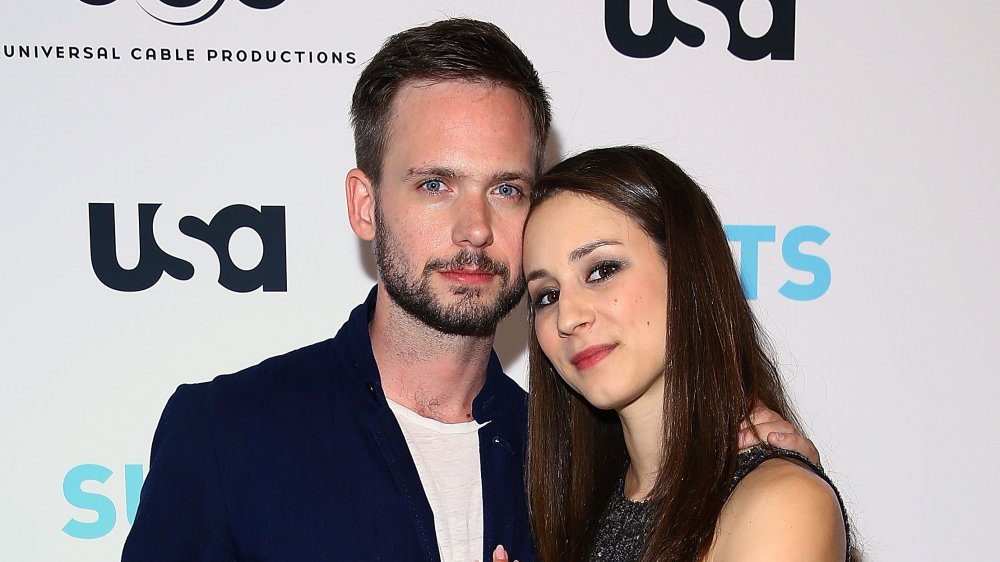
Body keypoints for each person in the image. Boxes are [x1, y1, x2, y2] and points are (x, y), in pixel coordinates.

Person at [122, 20, 819, 562]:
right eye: (435, 185)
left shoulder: (587, 466)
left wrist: (753, 470)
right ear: (366, 206)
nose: (475, 228)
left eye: (506, 189)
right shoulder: (228, 434)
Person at [519, 146, 853, 562]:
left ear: (687, 271)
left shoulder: (782, 504)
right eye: (547, 296)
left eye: (602, 270)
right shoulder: (574, 509)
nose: (567, 316)